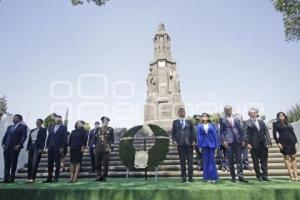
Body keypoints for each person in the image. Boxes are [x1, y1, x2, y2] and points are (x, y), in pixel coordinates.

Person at [220, 105, 248, 183]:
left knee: (239, 160)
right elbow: (221, 132)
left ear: (231, 110)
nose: (227, 110)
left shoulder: (236, 118)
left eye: (229, 109)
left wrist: (243, 140)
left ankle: (241, 176)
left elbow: (241, 129)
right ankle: (233, 177)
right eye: (226, 109)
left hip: (238, 141)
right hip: (228, 142)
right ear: (224, 111)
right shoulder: (222, 119)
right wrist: (223, 141)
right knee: (230, 161)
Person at [245, 108, 272, 181]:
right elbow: (245, 134)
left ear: (257, 114)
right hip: (253, 145)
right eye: (251, 113)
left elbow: (266, 131)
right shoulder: (247, 122)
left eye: (254, 113)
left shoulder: (261, 122)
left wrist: (269, 141)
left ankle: (265, 175)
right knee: (255, 161)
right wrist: (247, 143)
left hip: (263, 144)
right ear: (249, 114)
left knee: (264, 161)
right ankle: (259, 176)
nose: (253, 114)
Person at [172, 108, 196, 183]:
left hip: (189, 144)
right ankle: (183, 177)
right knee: (182, 162)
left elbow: (193, 132)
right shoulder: (175, 122)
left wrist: (194, 141)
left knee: (190, 162)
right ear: (178, 113)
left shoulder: (190, 121)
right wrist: (174, 140)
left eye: (183, 112)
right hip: (180, 144)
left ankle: (190, 177)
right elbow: (173, 132)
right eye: (180, 112)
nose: (182, 113)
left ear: (185, 113)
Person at [1, 114, 27, 183]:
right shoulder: (9, 127)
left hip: (15, 148)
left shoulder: (23, 127)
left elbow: (24, 136)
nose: (13, 119)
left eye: (14, 118)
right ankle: (6, 178)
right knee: (7, 163)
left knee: (13, 163)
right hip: (6, 148)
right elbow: (5, 136)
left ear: (19, 119)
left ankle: (12, 178)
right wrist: (3, 144)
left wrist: (19, 145)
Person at [273, 112, 299, 181]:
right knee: (286, 157)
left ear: (285, 116)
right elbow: (274, 135)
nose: (281, 117)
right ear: (278, 117)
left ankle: (296, 175)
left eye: (282, 115)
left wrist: (296, 142)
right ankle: (291, 175)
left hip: (291, 141)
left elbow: (293, 133)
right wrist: (278, 143)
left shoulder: (288, 124)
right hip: (283, 142)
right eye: (279, 116)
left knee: (293, 157)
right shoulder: (275, 124)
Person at [43, 115, 68, 183]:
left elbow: (64, 138)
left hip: (58, 148)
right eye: (57, 119)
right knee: (49, 163)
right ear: (55, 120)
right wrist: (46, 147)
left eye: (59, 119)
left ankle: (56, 178)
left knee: (57, 163)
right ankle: (49, 178)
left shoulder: (63, 128)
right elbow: (49, 138)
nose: (58, 120)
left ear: (61, 120)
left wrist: (62, 147)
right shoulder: (51, 127)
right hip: (50, 148)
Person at [197, 113, 219, 183]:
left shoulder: (212, 125)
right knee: (205, 162)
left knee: (212, 161)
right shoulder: (199, 126)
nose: (204, 117)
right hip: (204, 145)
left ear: (208, 118)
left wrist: (216, 146)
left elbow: (215, 135)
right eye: (203, 116)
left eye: (206, 116)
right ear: (201, 118)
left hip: (212, 145)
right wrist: (199, 146)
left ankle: (213, 177)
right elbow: (199, 136)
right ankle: (207, 177)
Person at [26, 119, 47, 183]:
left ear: (41, 123)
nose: (37, 123)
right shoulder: (32, 130)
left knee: (35, 163)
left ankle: (32, 178)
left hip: (37, 147)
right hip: (31, 146)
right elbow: (29, 139)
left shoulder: (43, 130)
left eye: (39, 122)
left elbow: (43, 139)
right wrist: (28, 147)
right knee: (29, 163)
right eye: (36, 122)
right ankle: (28, 177)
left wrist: (41, 148)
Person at [94, 116, 114, 182]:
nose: (105, 122)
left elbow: (112, 139)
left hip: (106, 148)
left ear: (108, 122)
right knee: (97, 163)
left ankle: (104, 176)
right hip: (98, 148)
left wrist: (111, 148)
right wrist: (94, 147)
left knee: (105, 163)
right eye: (104, 121)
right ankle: (99, 176)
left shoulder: (110, 129)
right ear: (102, 121)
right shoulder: (97, 129)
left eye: (107, 121)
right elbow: (94, 139)